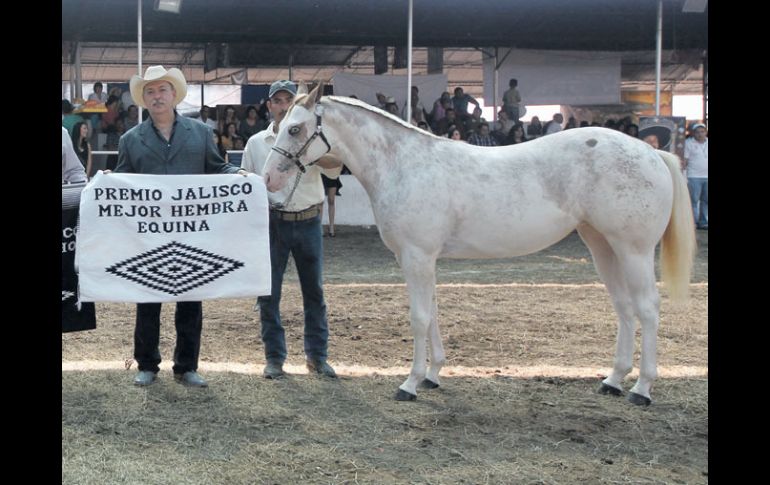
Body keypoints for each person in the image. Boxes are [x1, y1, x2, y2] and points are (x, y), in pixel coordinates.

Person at [114, 65, 248, 388]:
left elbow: (217, 168)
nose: (157, 96)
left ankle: (186, 366)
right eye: (150, 92)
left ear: (174, 94)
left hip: (192, 233)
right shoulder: (130, 140)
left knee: (190, 299)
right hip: (148, 236)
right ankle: (147, 364)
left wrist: (239, 175)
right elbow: (120, 182)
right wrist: (106, 183)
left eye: (162, 90)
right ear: (143, 100)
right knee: (147, 300)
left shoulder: (200, 133)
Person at [241, 80, 342, 380]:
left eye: (288, 101)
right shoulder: (256, 143)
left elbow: (335, 167)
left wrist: (311, 153)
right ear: (269, 106)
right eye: (278, 101)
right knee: (268, 294)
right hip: (273, 222)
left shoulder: (312, 139)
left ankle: (317, 357)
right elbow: (247, 180)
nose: (283, 106)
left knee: (314, 292)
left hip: (309, 219)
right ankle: (274, 358)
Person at [683, 122, 708, 230]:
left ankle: (703, 222)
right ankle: (693, 222)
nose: (700, 134)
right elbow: (685, 161)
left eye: (702, 132)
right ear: (693, 133)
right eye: (697, 132)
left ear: (705, 132)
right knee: (693, 201)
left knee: (706, 201)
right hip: (693, 176)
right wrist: (683, 176)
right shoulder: (688, 143)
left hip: (707, 176)